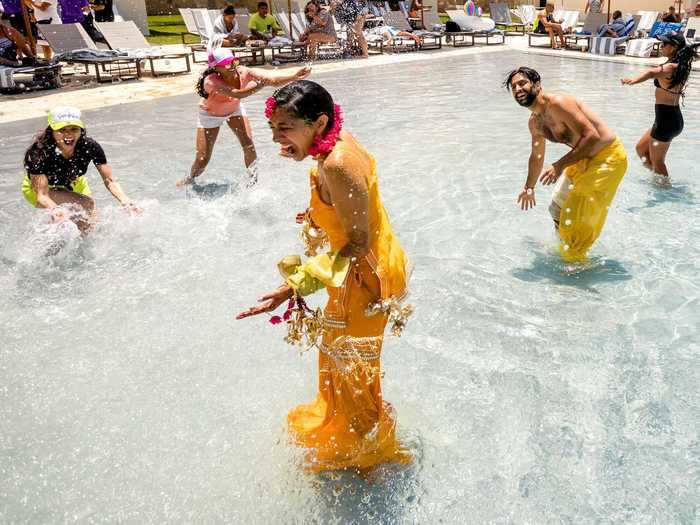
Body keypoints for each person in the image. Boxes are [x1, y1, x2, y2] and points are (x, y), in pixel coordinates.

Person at [236, 80, 412, 474]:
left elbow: (357, 241)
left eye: (286, 129)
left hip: (363, 277)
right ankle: (360, 430)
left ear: (319, 122)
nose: (277, 139)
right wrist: (317, 212)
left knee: (352, 369)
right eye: (273, 129)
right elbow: (351, 204)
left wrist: (292, 286)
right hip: (361, 269)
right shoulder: (335, 139)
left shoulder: (337, 162)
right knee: (339, 360)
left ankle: (371, 456)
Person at [504, 67, 628, 262]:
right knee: (556, 209)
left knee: (575, 217)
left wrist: (559, 165)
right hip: (582, 158)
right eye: (513, 87)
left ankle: (576, 267)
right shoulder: (535, 122)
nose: (518, 89)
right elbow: (536, 155)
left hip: (608, 158)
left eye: (522, 83)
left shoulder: (559, 104)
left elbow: (592, 137)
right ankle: (567, 248)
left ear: (537, 84)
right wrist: (529, 187)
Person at [177, 48, 311, 187]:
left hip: (234, 109)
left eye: (234, 61)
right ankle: (190, 178)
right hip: (210, 114)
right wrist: (260, 84)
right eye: (227, 63)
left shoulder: (243, 71)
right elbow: (237, 94)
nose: (233, 66)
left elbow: (272, 79)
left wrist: (295, 76)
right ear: (216, 67)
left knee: (248, 145)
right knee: (202, 158)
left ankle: (253, 181)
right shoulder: (210, 81)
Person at [22, 106, 139, 234]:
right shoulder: (38, 153)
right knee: (86, 203)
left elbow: (109, 179)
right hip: (39, 190)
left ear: (80, 130)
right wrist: (55, 209)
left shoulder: (90, 146)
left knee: (90, 226)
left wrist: (125, 201)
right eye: (62, 130)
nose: (69, 134)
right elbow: (42, 196)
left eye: (74, 129)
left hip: (75, 184)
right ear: (52, 132)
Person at [621, 33, 699, 182]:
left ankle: (665, 189)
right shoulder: (679, 65)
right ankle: (658, 179)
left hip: (666, 120)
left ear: (674, 47)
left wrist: (633, 80)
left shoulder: (671, 67)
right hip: (669, 118)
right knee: (641, 150)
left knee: (658, 161)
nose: (661, 46)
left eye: (665, 44)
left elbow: (651, 72)